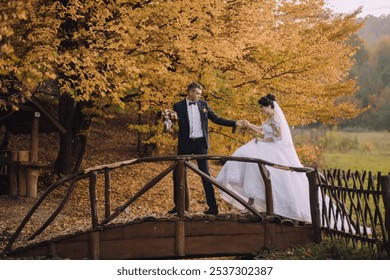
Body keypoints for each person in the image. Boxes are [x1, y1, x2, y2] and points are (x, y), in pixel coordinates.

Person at [216, 93, 312, 222]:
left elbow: (278, 138)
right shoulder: (269, 118)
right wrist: (249, 125)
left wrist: (261, 141)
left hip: (273, 150)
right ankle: (250, 203)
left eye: (262, 107)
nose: (260, 110)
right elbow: (262, 130)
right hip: (265, 145)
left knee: (259, 169)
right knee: (249, 164)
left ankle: (258, 204)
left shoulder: (276, 119)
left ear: (269, 106)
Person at [168, 82, 246, 215]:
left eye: (200, 94)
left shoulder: (203, 105)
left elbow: (216, 119)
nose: (199, 96)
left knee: (205, 175)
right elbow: (171, 122)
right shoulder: (178, 106)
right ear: (190, 92)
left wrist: (234, 123)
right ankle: (179, 207)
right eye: (197, 93)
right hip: (185, 144)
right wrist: (168, 120)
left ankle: (213, 207)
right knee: (177, 174)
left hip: (201, 144)